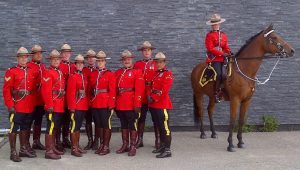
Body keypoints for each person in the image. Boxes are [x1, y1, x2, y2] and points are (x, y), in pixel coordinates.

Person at [3, 47, 37, 162]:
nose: (24, 59)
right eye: (21, 57)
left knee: (26, 127)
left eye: (25, 57)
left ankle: (23, 149)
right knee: (14, 128)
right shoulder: (11, 71)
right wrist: (10, 105)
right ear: (17, 58)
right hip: (17, 105)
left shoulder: (31, 70)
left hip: (28, 105)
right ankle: (13, 152)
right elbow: (6, 90)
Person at [114, 50, 144, 156]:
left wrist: (137, 104)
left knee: (132, 125)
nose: (126, 61)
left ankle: (133, 146)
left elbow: (139, 89)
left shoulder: (137, 72)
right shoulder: (118, 72)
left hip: (131, 104)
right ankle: (125, 145)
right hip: (120, 103)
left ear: (132, 60)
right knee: (123, 125)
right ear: (122, 61)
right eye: (124, 59)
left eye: (128, 59)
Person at [133, 41, 160, 149]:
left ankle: (158, 139)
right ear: (142, 52)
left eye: (148, 50)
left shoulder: (156, 63)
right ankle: (140, 140)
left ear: (151, 51)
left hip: (152, 93)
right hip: (141, 94)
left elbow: (160, 79)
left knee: (156, 118)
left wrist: (156, 93)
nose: (146, 52)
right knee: (141, 118)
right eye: (144, 50)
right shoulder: (137, 64)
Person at [89, 51, 116, 155]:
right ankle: (101, 144)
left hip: (106, 102)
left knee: (106, 124)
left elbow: (112, 90)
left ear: (105, 62)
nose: (100, 63)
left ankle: (106, 146)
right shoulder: (94, 73)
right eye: (98, 61)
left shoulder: (110, 74)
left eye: (102, 61)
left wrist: (111, 104)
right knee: (98, 124)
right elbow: (91, 89)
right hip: (96, 102)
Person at [148, 52, 174, 158]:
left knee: (165, 127)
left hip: (162, 104)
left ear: (164, 62)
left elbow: (164, 90)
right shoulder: (154, 74)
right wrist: (149, 96)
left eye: (160, 62)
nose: (158, 64)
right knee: (159, 126)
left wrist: (153, 98)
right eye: (157, 62)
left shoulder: (168, 74)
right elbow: (150, 87)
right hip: (154, 105)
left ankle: (167, 150)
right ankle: (162, 146)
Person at [41, 49, 66, 160]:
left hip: (59, 104)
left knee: (55, 127)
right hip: (52, 105)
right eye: (54, 59)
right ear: (50, 60)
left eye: (58, 59)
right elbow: (46, 91)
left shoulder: (59, 72)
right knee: (50, 127)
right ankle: (48, 151)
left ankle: (53, 146)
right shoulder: (47, 72)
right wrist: (49, 105)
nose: (56, 61)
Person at [205, 14, 231, 103]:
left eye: (217, 24)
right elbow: (210, 48)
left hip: (223, 58)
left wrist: (229, 52)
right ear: (212, 25)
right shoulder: (209, 35)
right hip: (214, 59)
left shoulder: (223, 35)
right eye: (214, 24)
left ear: (219, 24)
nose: (215, 25)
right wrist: (221, 54)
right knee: (219, 74)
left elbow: (226, 46)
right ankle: (216, 93)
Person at [67, 54, 89, 157]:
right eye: (78, 63)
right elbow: (70, 93)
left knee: (78, 127)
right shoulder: (73, 76)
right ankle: (74, 148)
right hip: (75, 105)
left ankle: (77, 145)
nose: (80, 65)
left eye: (82, 63)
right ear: (75, 64)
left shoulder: (83, 75)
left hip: (83, 105)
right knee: (74, 127)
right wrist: (72, 107)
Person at [27, 45, 46, 150]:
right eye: (36, 53)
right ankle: (26, 144)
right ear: (32, 55)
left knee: (38, 121)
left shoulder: (43, 66)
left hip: (41, 100)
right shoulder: (28, 66)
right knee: (28, 122)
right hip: (31, 99)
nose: (39, 55)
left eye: (40, 53)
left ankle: (36, 141)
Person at [58, 43, 76, 150]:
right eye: (64, 52)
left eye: (67, 53)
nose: (66, 55)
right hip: (60, 97)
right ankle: (58, 141)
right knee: (58, 120)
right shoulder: (58, 65)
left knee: (68, 120)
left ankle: (65, 139)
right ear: (61, 54)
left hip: (70, 98)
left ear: (70, 54)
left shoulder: (73, 66)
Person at [82, 49, 98, 150]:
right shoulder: (83, 70)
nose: (91, 59)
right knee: (87, 121)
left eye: (93, 57)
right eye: (89, 58)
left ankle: (96, 141)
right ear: (87, 59)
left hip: (96, 100)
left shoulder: (99, 70)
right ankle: (90, 140)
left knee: (97, 121)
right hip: (86, 100)